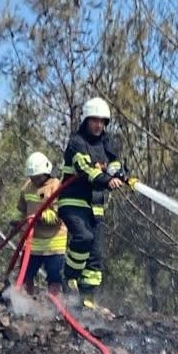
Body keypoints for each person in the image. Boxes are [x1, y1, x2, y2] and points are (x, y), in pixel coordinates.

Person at [57, 96, 129, 308]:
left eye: (102, 121)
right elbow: (85, 169)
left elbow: (115, 163)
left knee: (96, 255)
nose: (98, 125)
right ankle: (68, 276)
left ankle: (86, 298)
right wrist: (108, 180)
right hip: (73, 202)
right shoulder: (76, 143)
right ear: (86, 120)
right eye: (94, 120)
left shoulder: (107, 143)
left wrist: (120, 174)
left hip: (95, 205)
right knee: (83, 237)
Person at [18, 152, 66, 295]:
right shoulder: (27, 187)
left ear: (45, 173)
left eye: (37, 177)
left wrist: (40, 217)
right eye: (32, 177)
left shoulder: (56, 186)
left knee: (54, 277)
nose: (34, 180)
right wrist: (19, 222)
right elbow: (22, 208)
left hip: (54, 242)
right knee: (26, 274)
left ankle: (55, 306)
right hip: (33, 242)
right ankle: (25, 302)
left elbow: (60, 214)